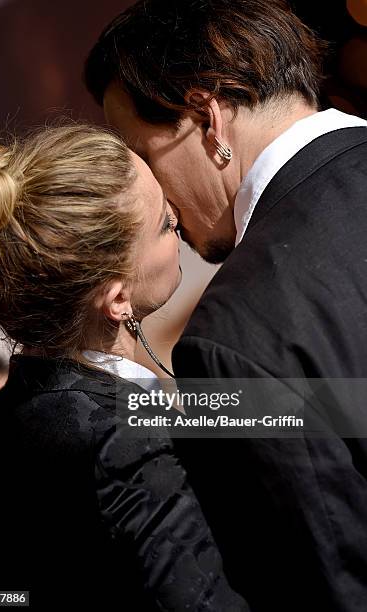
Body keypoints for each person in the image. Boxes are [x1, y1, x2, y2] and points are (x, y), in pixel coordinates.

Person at [84, 1, 367, 610]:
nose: (153, 197)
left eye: (142, 156)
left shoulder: (233, 333)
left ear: (206, 118)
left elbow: (329, 586)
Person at [0, 125, 249, 611]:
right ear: (117, 300)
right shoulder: (125, 437)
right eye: (163, 224)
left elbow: (1, 598)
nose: (177, 216)